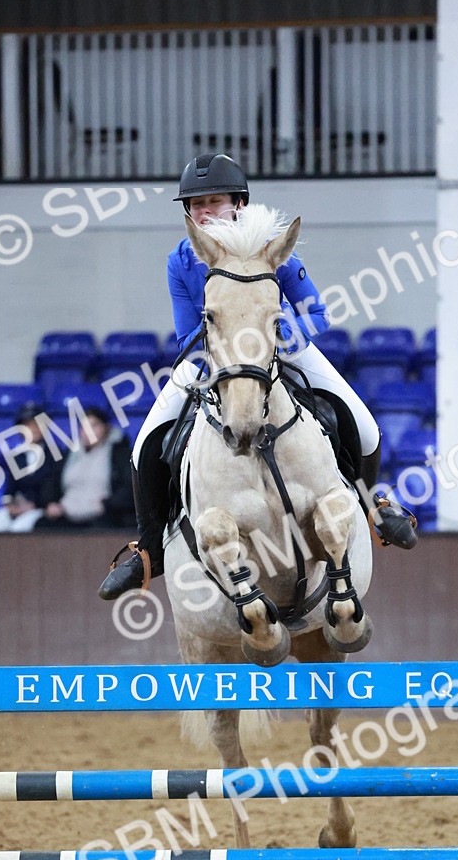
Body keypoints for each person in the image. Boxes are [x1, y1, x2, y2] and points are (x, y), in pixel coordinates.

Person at [99, 152, 416, 600]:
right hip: (215, 357)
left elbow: (316, 312)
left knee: (361, 420)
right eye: (196, 204)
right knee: (146, 442)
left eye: (215, 201)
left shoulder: (273, 246)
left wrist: (284, 332)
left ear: (239, 204)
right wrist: (226, 341)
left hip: (282, 347)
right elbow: (187, 333)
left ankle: (371, 504)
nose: (206, 211)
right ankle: (148, 549)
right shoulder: (180, 261)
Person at [33, 407, 135, 530]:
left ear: (106, 428)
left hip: (103, 514)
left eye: (94, 425)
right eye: (84, 426)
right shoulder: (69, 454)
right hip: (67, 513)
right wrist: (51, 503)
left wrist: (108, 504)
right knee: (42, 525)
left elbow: (128, 487)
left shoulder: (119, 454)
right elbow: (51, 484)